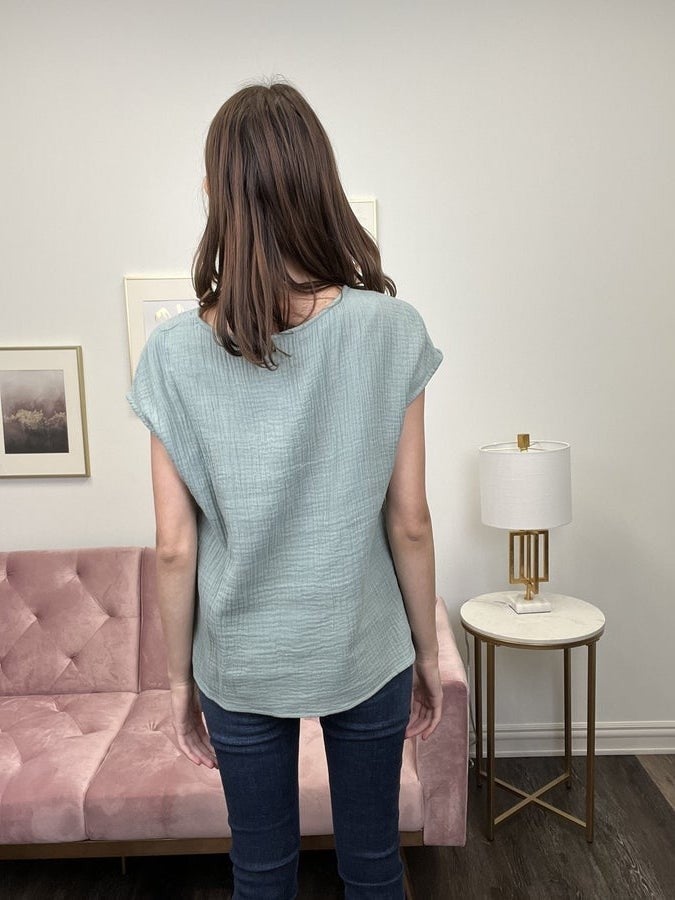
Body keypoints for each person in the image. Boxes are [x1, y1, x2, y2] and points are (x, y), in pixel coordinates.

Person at [126, 77, 445, 900]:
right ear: (319, 183)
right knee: (374, 867)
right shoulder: (391, 328)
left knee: (260, 876)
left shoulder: (171, 353)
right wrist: (427, 653)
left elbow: (174, 546)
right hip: (363, 642)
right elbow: (409, 521)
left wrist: (177, 685)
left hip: (238, 656)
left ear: (216, 192)